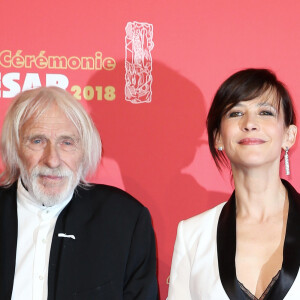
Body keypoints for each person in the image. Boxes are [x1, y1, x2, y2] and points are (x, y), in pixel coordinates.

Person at [0, 86, 158, 300]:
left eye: (67, 143)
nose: (53, 160)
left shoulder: (125, 220)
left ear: (84, 151)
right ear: (15, 148)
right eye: (37, 141)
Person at [168, 69, 300, 299]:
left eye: (265, 112)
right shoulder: (192, 235)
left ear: (289, 135)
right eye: (236, 113)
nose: (250, 123)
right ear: (218, 136)